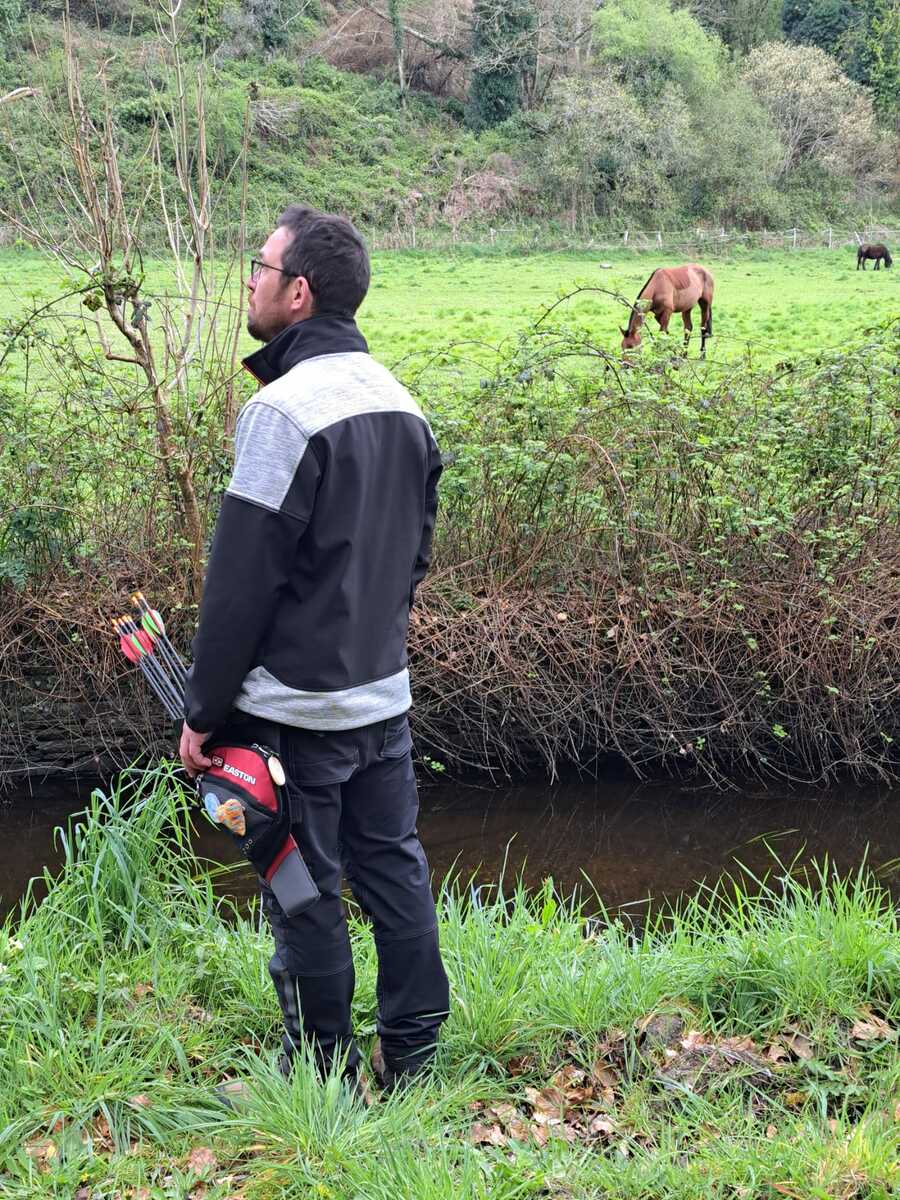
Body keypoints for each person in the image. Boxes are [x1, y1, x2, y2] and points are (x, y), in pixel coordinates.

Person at [179, 204, 449, 1093]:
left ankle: (323, 1075)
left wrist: (203, 712)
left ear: (298, 292)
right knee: (395, 872)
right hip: (383, 699)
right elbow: (413, 560)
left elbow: (240, 586)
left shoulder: (281, 411)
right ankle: (413, 1055)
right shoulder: (401, 402)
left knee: (303, 888)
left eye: (258, 268)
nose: (248, 283)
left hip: (292, 714)